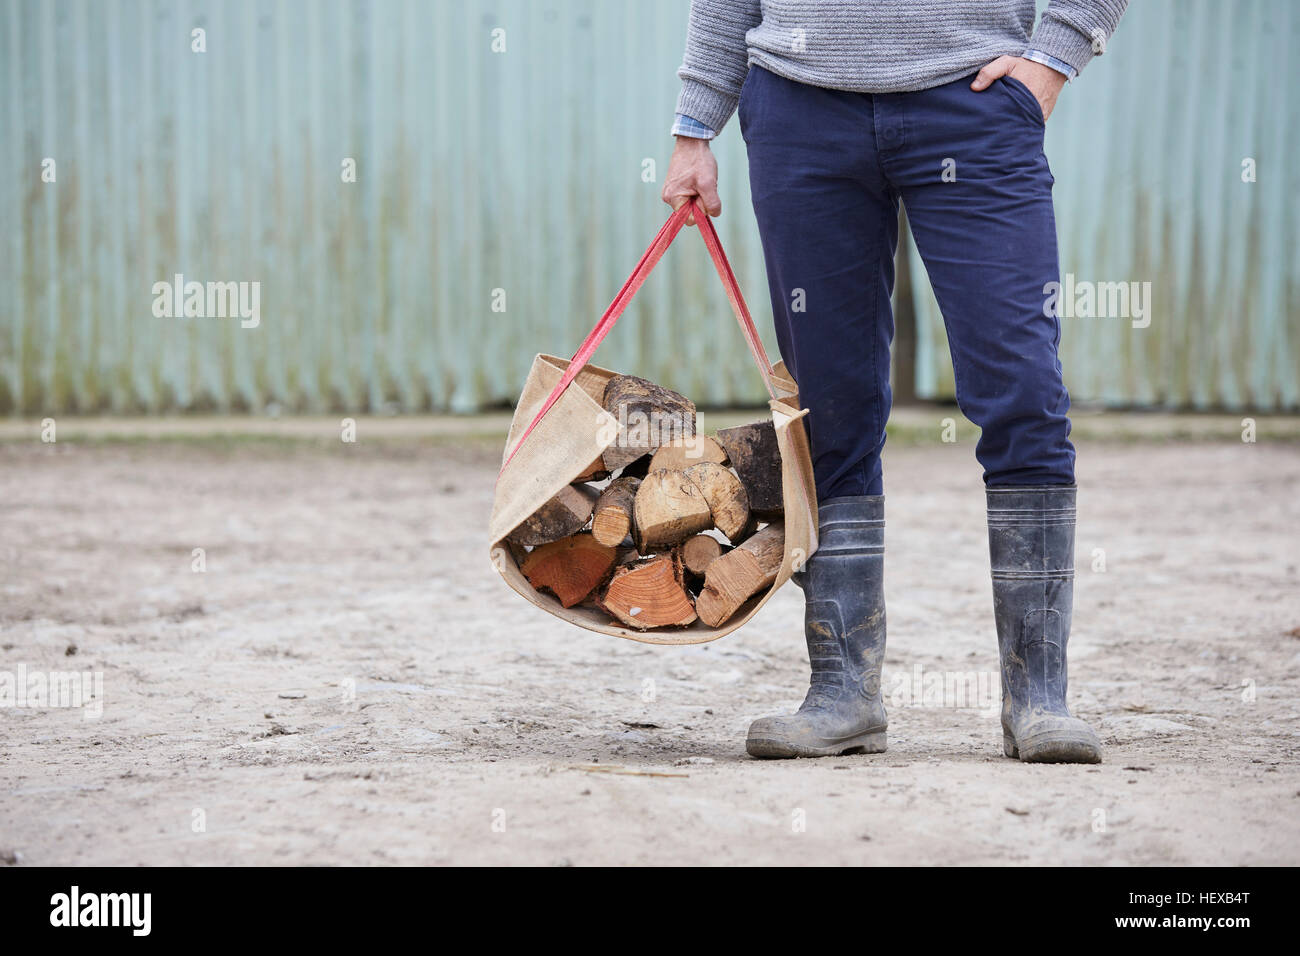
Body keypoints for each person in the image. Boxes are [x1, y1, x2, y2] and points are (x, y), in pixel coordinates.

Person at [662, 0, 1129, 763]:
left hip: (973, 103)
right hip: (797, 107)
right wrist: (694, 126)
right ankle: (843, 692)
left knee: (1023, 387)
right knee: (827, 406)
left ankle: (1038, 696)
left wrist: (1055, 56)